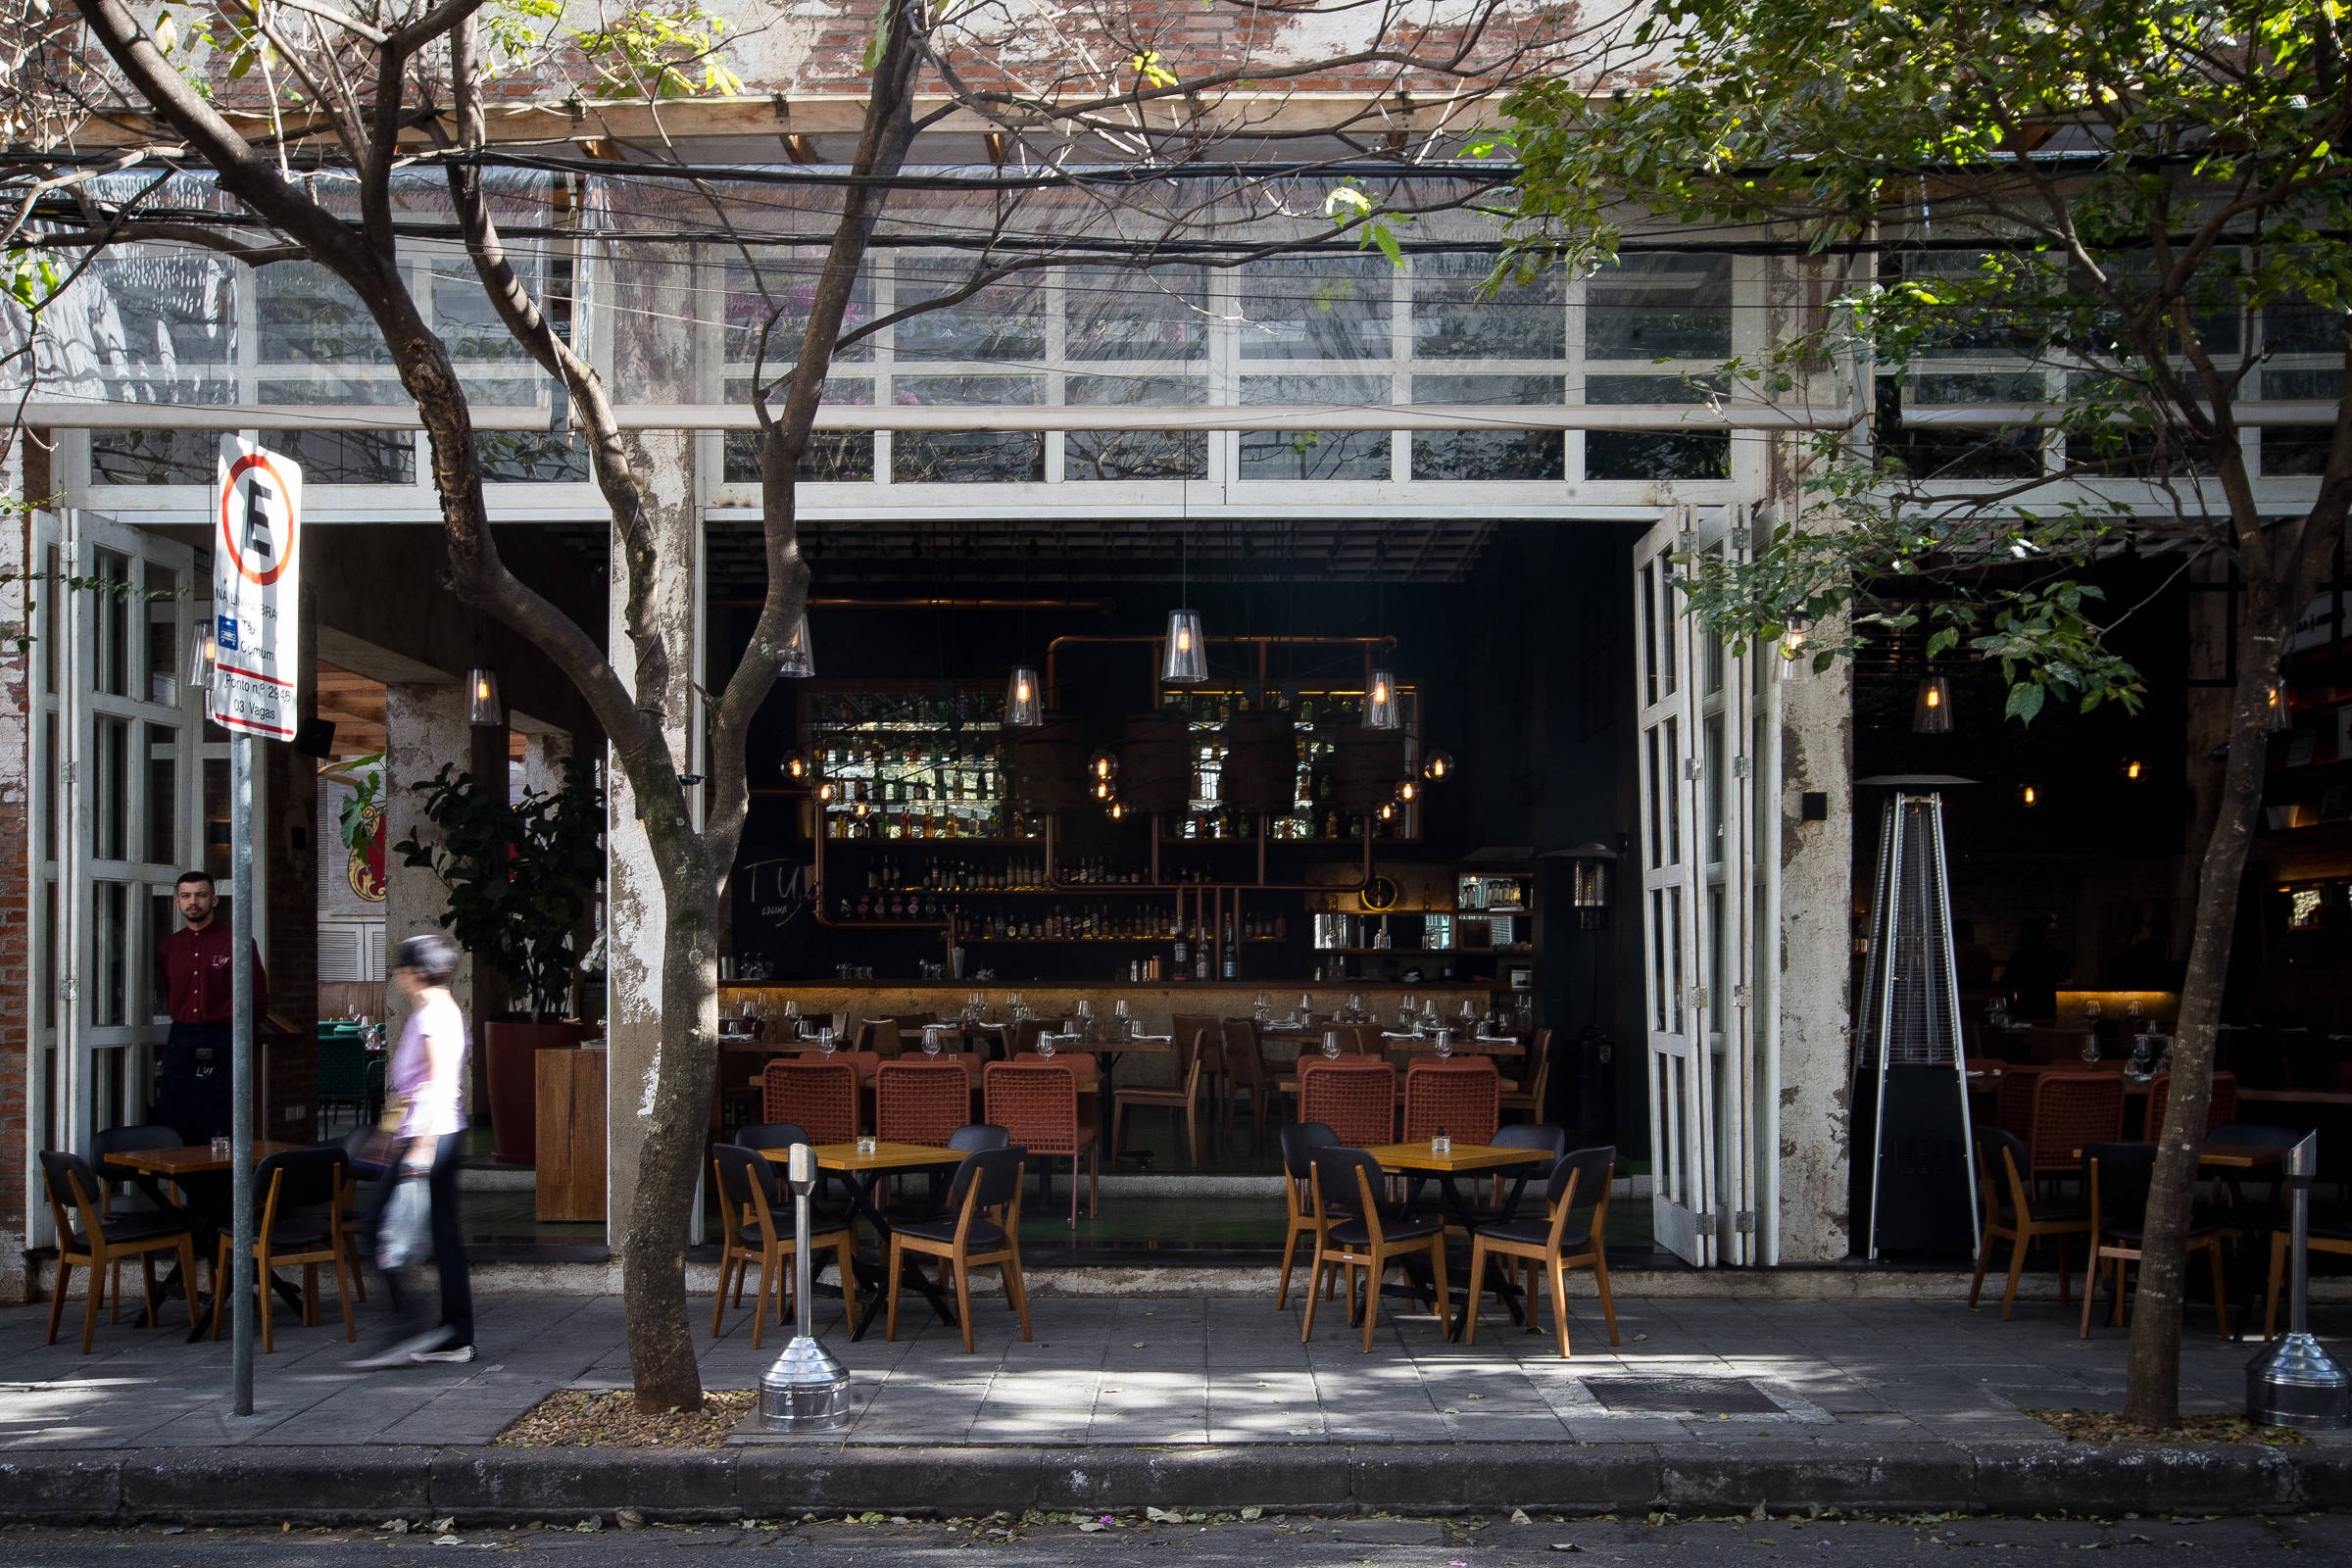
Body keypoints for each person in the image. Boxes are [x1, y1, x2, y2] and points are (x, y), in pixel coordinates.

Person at [351, 933, 475, 1367]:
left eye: (403, 969)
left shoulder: (435, 1015)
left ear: (418, 970)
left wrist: (418, 1149)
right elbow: (410, 1089)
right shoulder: (435, 1012)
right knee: (445, 1238)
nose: (399, 977)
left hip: (431, 1136)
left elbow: (440, 1084)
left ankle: (408, 1327)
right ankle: (455, 1335)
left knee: (374, 1232)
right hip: (435, 1133)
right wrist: (387, 1137)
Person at [153, 870, 268, 1145]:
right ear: (177, 902)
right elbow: (168, 990)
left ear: (214, 900)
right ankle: (177, 1187)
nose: (193, 901)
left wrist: (238, 1041)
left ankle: (220, 1185)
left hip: (223, 1038)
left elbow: (258, 998)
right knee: (175, 1116)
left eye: (201, 895)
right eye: (186, 896)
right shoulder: (169, 946)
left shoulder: (237, 943)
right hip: (181, 1039)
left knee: (220, 1120)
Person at [2002, 913, 2071, 1023]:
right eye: (2048, 931)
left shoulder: (2021, 955)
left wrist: (2011, 1010)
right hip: (2042, 1013)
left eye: (2055, 933)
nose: (2052, 936)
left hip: (2028, 1012)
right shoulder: (2055, 956)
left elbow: (2006, 984)